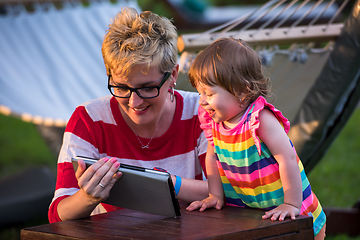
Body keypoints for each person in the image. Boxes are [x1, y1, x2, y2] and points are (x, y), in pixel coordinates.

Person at [48, 7, 209, 223]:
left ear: (172, 75)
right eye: (121, 87)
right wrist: (88, 197)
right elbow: (58, 216)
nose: (135, 102)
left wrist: (166, 184)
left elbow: (234, 192)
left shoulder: (203, 112)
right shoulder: (88, 119)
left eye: (147, 87)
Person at [186, 38, 326, 239]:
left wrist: (291, 204)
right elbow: (212, 159)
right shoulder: (214, 121)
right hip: (255, 213)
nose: (202, 101)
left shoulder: (260, 119)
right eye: (200, 93)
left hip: (294, 212)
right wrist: (215, 195)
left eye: (208, 93)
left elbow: (287, 158)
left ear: (242, 91)